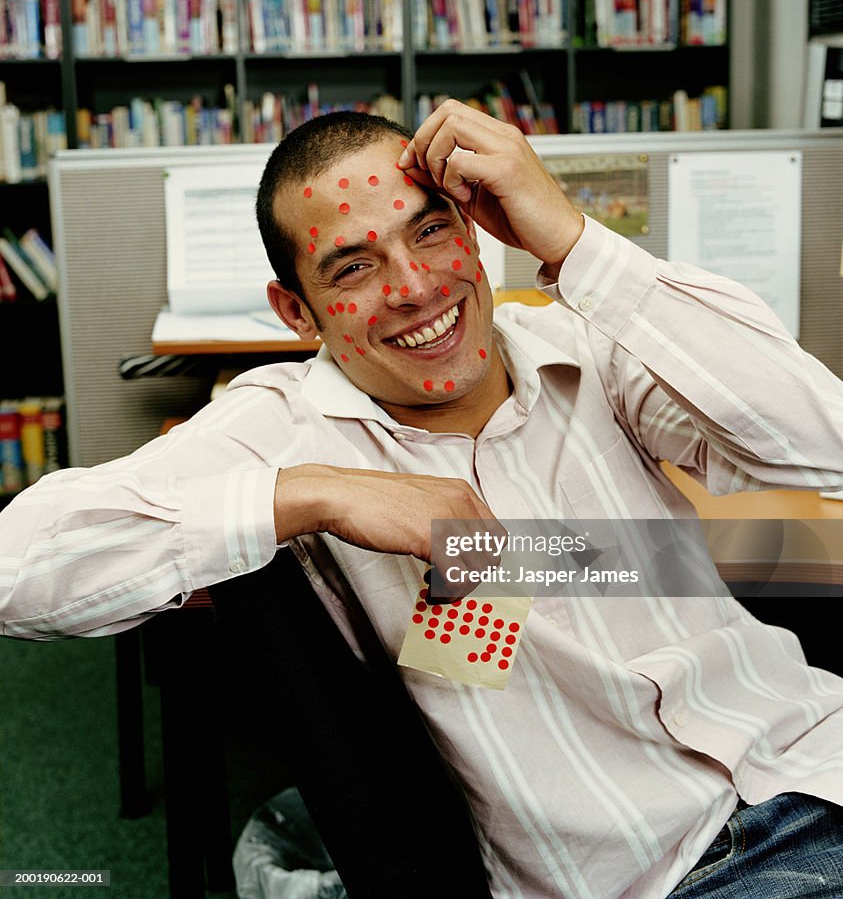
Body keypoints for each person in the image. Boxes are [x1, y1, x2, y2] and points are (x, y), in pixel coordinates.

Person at [2, 100, 843, 898]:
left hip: (816, 760)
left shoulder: (591, 346)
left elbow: (825, 453)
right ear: (298, 312)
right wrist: (312, 491)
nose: (413, 286)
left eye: (430, 230)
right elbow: (16, 568)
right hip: (678, 867)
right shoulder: (283, 429)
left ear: (476, 233)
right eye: (355, 265)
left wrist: (577, 243)